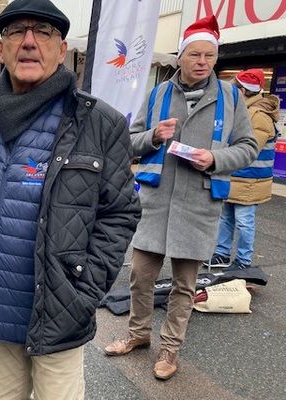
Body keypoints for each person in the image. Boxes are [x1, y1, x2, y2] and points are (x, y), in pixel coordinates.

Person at [0, 0, 141, 398]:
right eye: (15, 32)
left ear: (62, 50)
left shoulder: (99, 123)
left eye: (43, 32)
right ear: (1, 49)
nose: (28, 42)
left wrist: (84, 291)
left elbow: (120, 212)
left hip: (60, 312)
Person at [104, 15, 258, 381]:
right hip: (156, 204)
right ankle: (138, 335)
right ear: (180, 57)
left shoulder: (231, 97)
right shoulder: (158, 94)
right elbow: (129, 140)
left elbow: (248, 147)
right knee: (140, 278)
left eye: (209, 55)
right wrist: (154, 136)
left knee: (184, 287)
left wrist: (217, 159)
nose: (203, 61)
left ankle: (170, 351)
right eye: (195, 54)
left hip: (199, 204)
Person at [205, 69, 280, 271]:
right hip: (235, 175)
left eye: (237, 87)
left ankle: (243, 261)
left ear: (245, 90)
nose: (233, 90)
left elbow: (248, 148)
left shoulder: (259, 115)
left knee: (244, 221)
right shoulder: (241, 110)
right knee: (226, 217)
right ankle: (222, 254)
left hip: (250, 180)